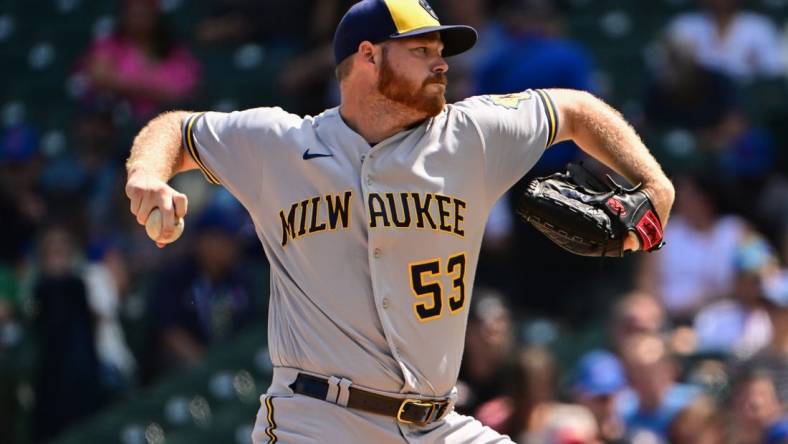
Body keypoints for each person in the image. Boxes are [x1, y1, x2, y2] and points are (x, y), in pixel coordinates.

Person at [124, 0, 675, 442]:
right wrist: (148, 174)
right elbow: (177, 128)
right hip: (316, 421)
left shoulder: (471, 135)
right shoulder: (282, 144)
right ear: (368, 56)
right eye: (423, 49)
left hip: (435, 424)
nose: (442, 62)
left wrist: (655, 183)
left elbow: (575, 110)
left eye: (442, 50)